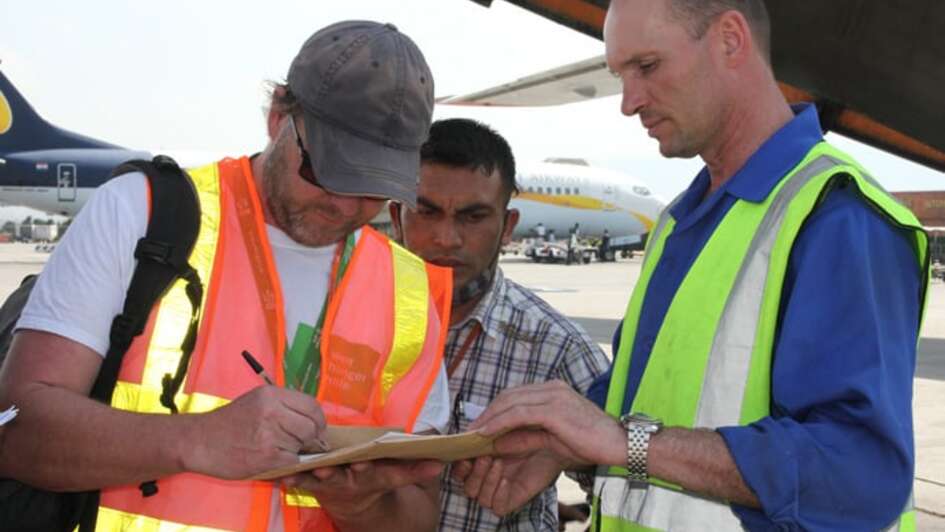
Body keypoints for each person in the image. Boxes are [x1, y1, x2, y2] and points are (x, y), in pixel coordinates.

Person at [454, 1, 929, 530]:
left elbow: (861, 476)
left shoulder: (838, 216)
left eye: (647, 66)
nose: (628, 103)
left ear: (730, 39)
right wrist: (560, 444)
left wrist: (623, 442)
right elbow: (662, 397)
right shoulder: (681, 220)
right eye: (620, 75)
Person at [0, 21, 453, 532]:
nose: (346, 206)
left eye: (373, 188)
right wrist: (196, 440)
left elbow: (419, 516)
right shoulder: (142, 213)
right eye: (325, 172)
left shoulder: (407, 290)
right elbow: (16, 431)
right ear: (279, 116)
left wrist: (358, 504)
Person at [389, 118, 609, 531]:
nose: (447, 238)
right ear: (397, 216)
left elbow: (633, 486)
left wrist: (565, 452)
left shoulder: (556, 347)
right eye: (427, 212)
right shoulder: (345, 322)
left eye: (473, 217)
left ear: (507, 227)